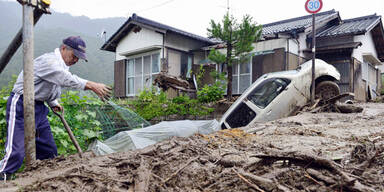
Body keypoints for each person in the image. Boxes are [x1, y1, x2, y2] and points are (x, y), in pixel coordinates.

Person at [0, 36, 111, 180]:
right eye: (74, 56)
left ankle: (41, 180)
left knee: (48, 151)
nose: (76, 60)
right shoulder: (49, 61)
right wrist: (91, 85)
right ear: (64, 49)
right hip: (21, 103)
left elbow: (48, 86)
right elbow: (63, 78)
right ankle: (2, 177)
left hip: (39, 107)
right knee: (16, 152)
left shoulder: (62, 65)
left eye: (79, 58)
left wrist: (53, 103)